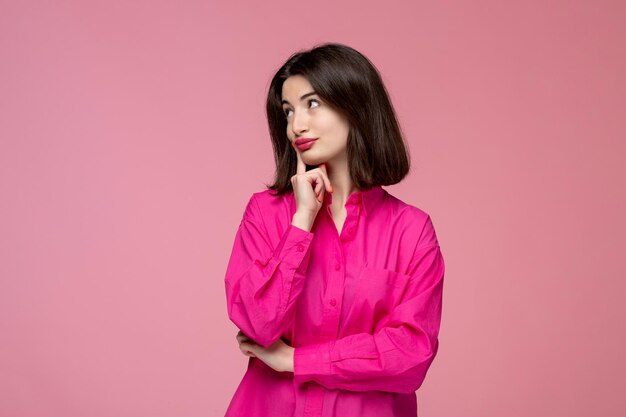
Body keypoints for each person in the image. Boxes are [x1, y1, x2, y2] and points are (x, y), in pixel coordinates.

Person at [223, 42, 445, 417]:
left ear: (356, 106)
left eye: (312, 104)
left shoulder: (411, 231)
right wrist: (301, 224)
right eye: (288, 110)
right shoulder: (265, 214)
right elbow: (257, 324)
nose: (296, 125)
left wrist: (295, 361)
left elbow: (409, 357)